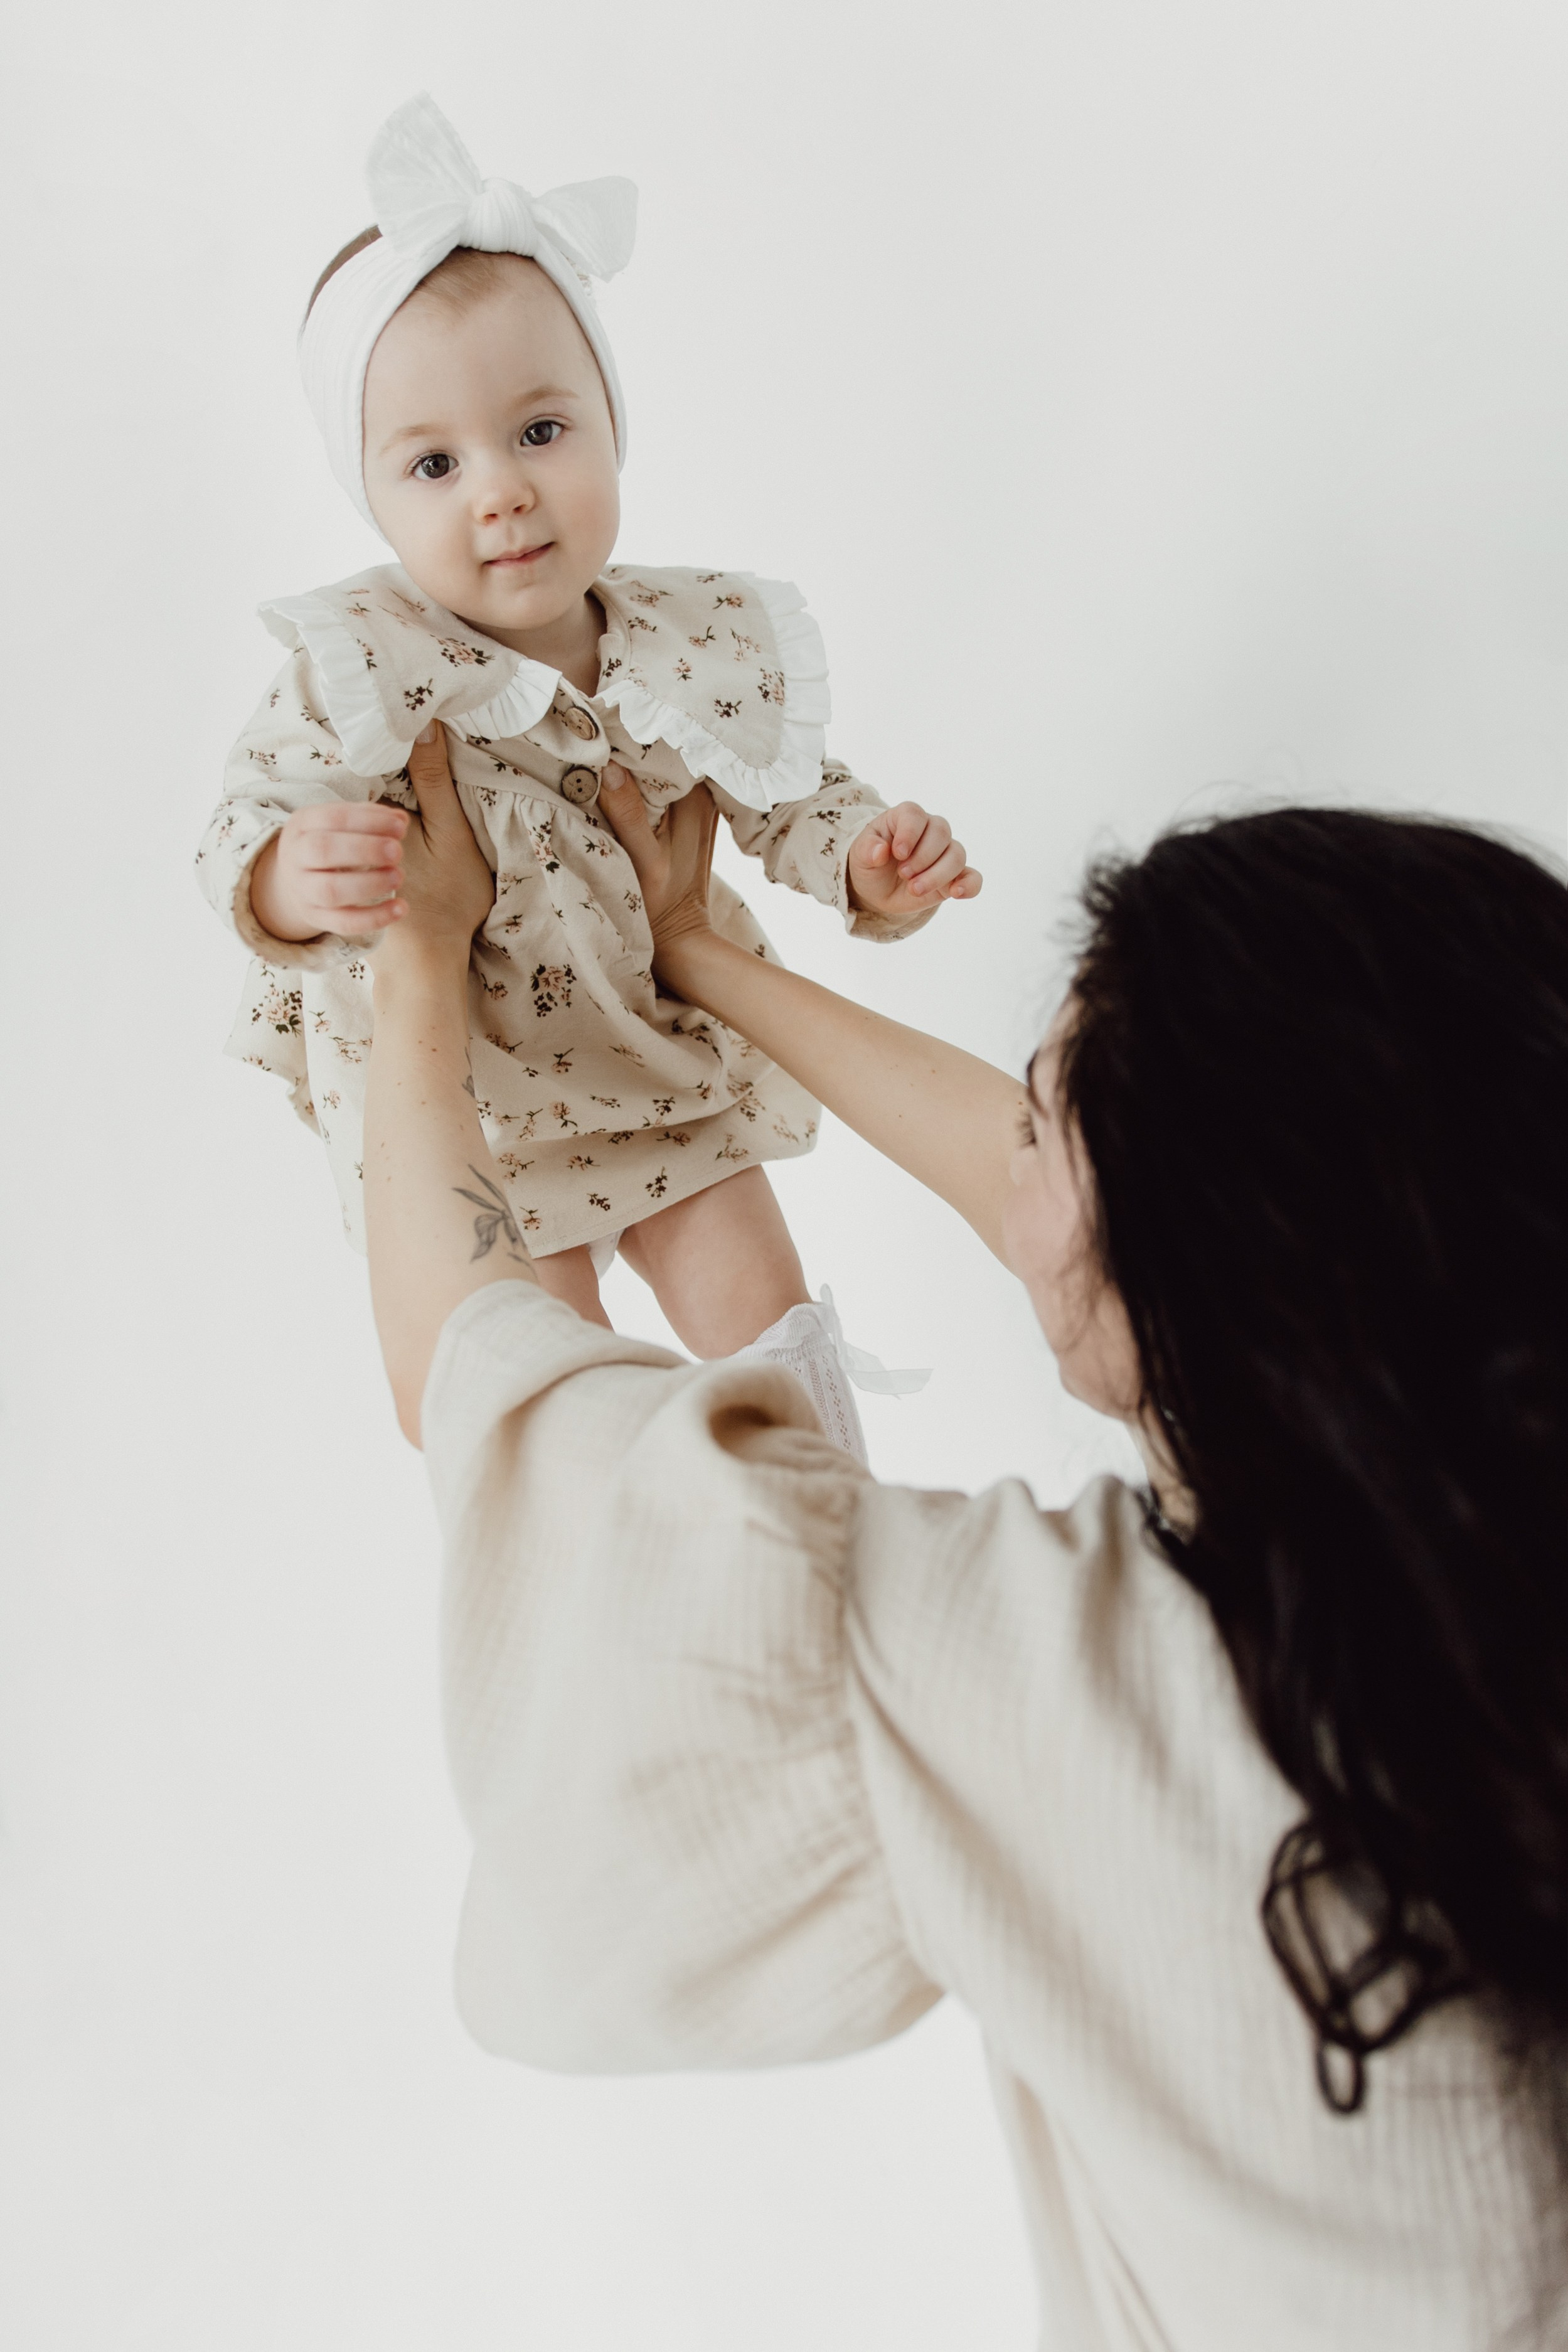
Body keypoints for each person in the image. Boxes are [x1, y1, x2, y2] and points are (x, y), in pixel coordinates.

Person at [361, 725, 1568, 2350]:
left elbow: (493, 1390)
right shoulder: (1448, 1495)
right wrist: (702, 954)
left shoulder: (1062, 1684)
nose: (1022, 1168)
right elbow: (1070, 1208)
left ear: (1194, 1255)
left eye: (1050, 1126)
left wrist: (415, 975)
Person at [193, 93, 977, 1453]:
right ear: (371, 496)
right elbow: (242, 820)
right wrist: (285, 871)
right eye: (434, 462)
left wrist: (865, 861)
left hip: (648, 1047)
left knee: (762, 1308)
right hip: (469, 1103)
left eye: (540, 432)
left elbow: (786, 788)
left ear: (613, 423)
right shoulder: (358, 662)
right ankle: (605, 1581)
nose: (498, 490)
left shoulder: (685, 640)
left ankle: (828, 1514)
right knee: (541, 1387)